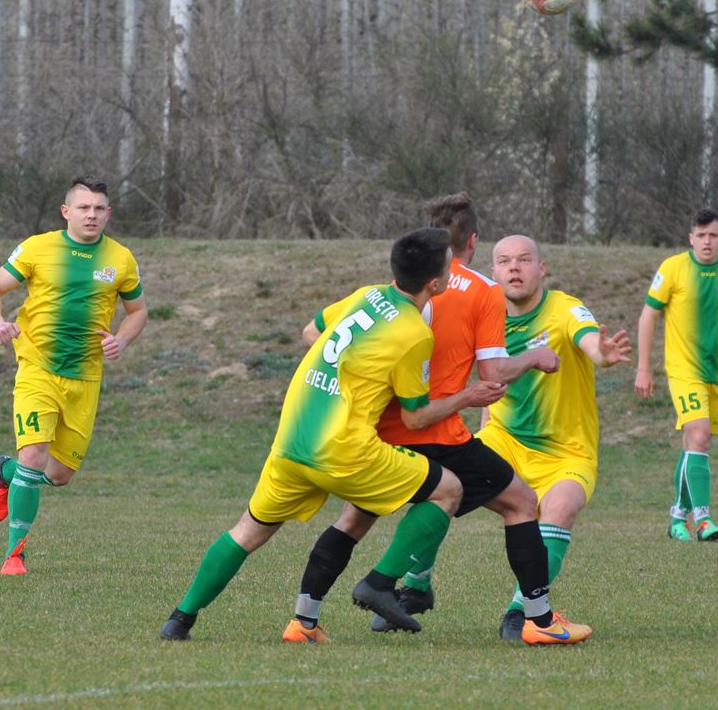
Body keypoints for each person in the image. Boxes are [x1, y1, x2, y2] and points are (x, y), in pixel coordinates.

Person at [159, 227, 504, 642]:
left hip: (292, 440)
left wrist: (349, 373)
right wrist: (468, 396)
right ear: (436, 283)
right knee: (447, 489)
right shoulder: (414, 333)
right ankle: (380, 584)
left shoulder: (366, 295)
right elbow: (415, 419)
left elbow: (312, 331)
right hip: (342, 449)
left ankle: (181, 619)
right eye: (449, 267)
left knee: (247, 531)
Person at [288, 194, 591, 647]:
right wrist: (533, 357)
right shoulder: (482, 292)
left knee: (356, 516)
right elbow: (493, 373)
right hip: (437, 428)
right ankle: (540, 621)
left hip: (381, 430)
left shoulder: (393, 288)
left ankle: (304, 621)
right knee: (521, 504)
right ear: (470, 241)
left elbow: (315, 334)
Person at [0, 176, 148, 575]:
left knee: (58, 474)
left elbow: (138, 312)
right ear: (66, 211)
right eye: (83, 207)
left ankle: (6, 472)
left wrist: (121, 340)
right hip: (37, 367)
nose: (91, 215)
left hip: (85, 377)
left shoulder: (121, 259)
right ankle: (14, 555)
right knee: (34, 455)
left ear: (108, 213)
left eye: (99, 208)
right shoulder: (38, 247)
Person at [476, 234, 632, 641]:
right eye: (505, 261)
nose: (515, 267)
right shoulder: (484, 314)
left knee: (559, 507)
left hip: (567, 452)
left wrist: (603, 353)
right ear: (493, 272)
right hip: (504, 441)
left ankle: (522, 613)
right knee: (443, 481)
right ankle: (410, 587)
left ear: (541, 268)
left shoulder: (565, 308)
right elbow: (484, 373)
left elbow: (590, 342)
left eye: (525, 260)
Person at [634, 208, 718, 542]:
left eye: (713, 235)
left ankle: (677, 518)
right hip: (684, 369)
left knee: (694, 442)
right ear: (691, 238)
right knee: (700, 435)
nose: (707, 242)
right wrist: (644, 368)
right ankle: (703, 519)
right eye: (701, 235)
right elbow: (649, 316)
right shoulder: (673, 268)